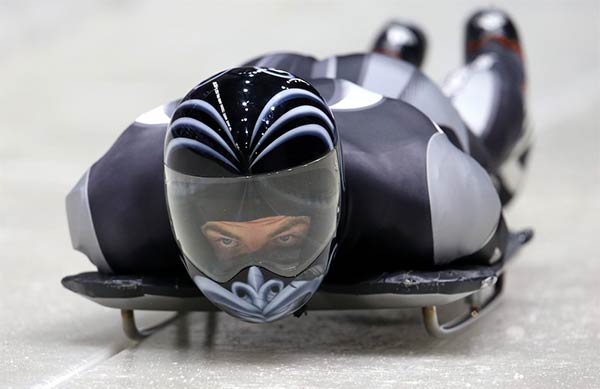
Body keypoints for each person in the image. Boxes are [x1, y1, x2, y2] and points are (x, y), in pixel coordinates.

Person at [66, 8, 531, 322]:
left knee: (492, 136)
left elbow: (492, 228)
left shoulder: (426, 183)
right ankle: (395, 50)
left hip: (398, 97)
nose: (255, 281)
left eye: (284, 236)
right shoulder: (108, 202)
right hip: (268, 78)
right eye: (226, 238)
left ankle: (492, 53)